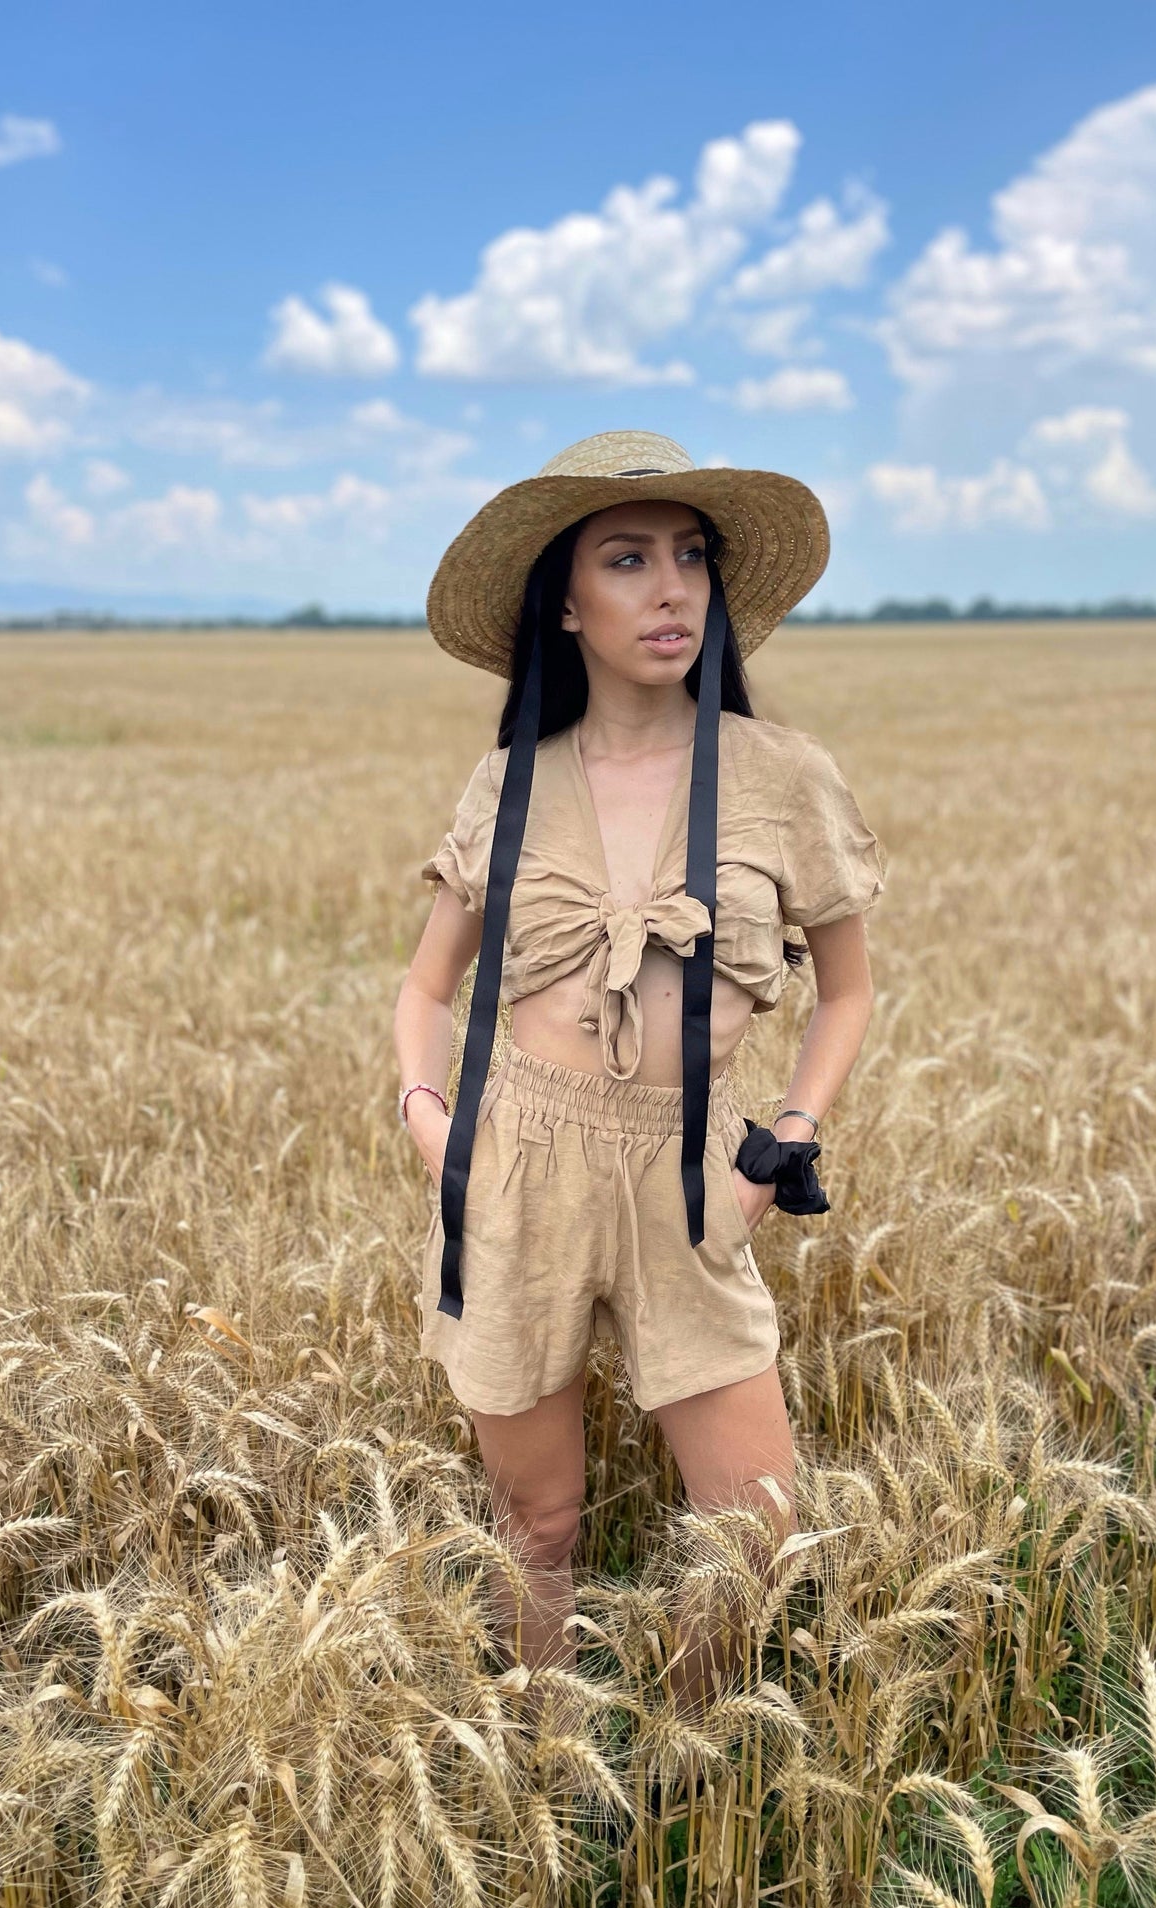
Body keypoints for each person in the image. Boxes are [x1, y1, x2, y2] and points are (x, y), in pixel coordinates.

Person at [392, 429, 884, 1723]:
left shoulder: (781, 778)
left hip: (691, 1170)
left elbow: (848, 991)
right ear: (566, 601)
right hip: (519, 1165)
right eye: (628, 559)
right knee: (536, 1521)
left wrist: (778, 1153)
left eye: (689, 558)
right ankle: (545, 1762)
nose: (671, 589)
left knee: (756, 1527)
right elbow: (422, 988)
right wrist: (428, 1117)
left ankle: (672, 1757)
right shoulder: (508, 782)